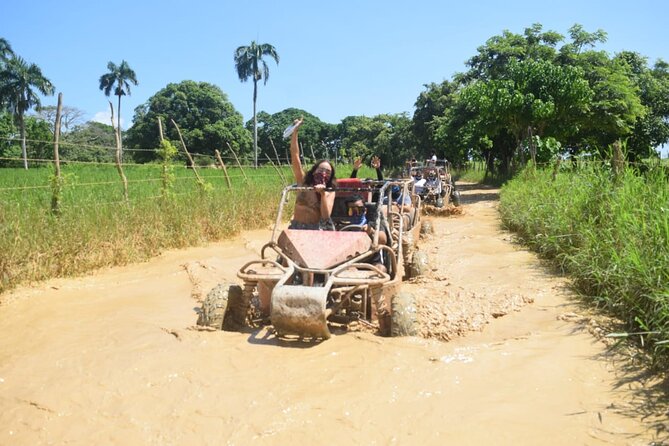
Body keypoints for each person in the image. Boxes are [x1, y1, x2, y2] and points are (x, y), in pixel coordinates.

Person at [288, 118, 337, 230]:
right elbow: (295, 156)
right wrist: (295, 131)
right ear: (314, 171)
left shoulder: (330, 191)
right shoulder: (302, 181)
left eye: (328, 172)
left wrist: (323, 194)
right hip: (296, 227)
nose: (323, 173)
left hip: (314, 230)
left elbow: (325, 216)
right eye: (321, 170)